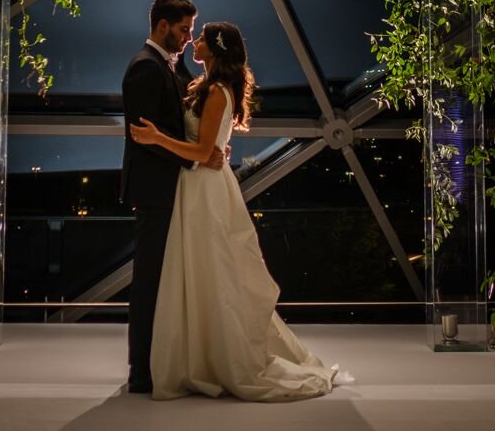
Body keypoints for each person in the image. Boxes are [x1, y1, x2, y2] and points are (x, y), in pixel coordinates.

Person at [130, 20, 339, 401]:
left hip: (204, 190)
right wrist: (213, 149)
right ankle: (204, 354)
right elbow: (207, 147)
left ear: (213, 49)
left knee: (212, 269)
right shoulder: (206, 86)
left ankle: (213, 356)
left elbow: (199, 150)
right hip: (197, 186)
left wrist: (157, 138)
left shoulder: (216, 93)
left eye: (201, 37)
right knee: (205, 270)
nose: (194, 41)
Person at [121, 0, 226, 395]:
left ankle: (164, 361)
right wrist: (198, 157)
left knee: (165, 278)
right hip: (155, 192)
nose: (189, 37)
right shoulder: (144, 69)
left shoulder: (169, 66)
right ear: (162, 26)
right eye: (184, 30)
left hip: (173, 189)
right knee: (149, 279)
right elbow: (146, 139)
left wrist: (208, 146)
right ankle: (141, 372)